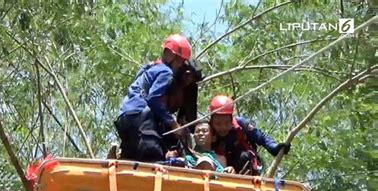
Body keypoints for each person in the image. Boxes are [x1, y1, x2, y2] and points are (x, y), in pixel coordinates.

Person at [115, 34, 194, 162]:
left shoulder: (149, 67)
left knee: (131, 157)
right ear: (171, 56)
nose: (180, 65)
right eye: (180, 60)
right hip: (141, 116)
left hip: (124, 117)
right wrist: (173, 124)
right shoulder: (166, 72)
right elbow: (154, 98)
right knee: (152, 156)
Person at [208, 95, 291, 175]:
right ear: (212, 122)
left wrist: (275, 148)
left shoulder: (241, 124)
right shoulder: (207, 130)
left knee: (243, 156)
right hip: (220, 168)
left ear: (231, 119)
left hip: (244, 165)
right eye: (218, 124)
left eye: (226, 123)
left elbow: (262, 138)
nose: (223, 127)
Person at [166, 121, 235, 173]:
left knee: (205, 160)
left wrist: (231, 170)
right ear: (194, 137)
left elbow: (224, 177)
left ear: (213, 138)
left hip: (213, 188)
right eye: (197, 131)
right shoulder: (188, 157)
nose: (201, 134)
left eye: (205, 131)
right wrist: (171, 158)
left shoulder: (220, 158)